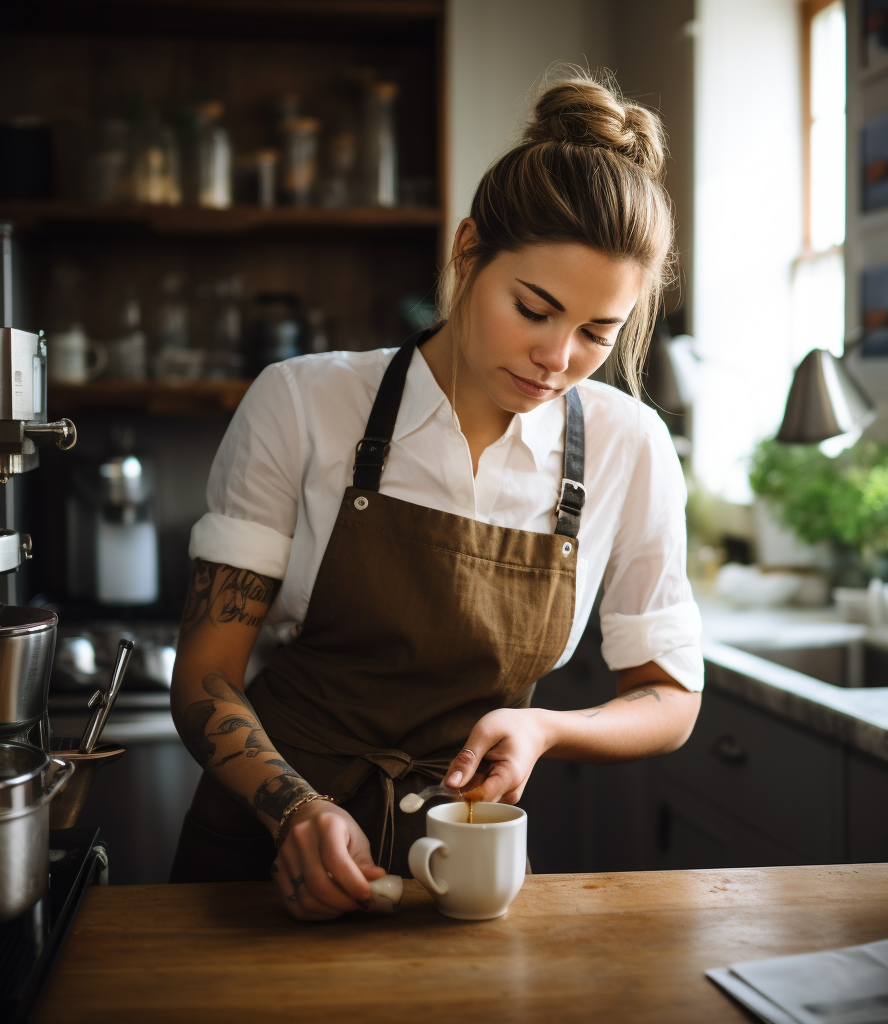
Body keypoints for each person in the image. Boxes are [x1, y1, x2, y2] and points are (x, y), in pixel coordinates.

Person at [169, 72, 703, 920]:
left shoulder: (629, 448)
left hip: (464, 862)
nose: (557, 359)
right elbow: (203, 677)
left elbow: (671, 699)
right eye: (534, 308)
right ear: (467, 251)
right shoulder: (304, 402)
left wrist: (545, 729)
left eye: (598, 333)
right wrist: (294, 809)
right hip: (265, 849)